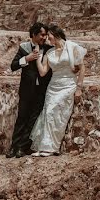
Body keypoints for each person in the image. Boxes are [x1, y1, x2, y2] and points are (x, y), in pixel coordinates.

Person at [30, 24, 87, 156]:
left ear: (55, 34)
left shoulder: (72, 47)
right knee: (48, 113)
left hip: (68, 85)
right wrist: (38, 58)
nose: (47, 39)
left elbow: (82, 68)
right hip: (53, 86)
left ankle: (52, 147)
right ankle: (45, 146)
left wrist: (79, 88)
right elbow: (43, 72)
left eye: (48, 35)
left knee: (59, 116)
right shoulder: (49, 53)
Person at [6, 22, 52, 158]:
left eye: (45, 35)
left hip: (41, 91)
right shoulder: (24, 48)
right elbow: (13, 66)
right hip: (26, 90)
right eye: (42, 35)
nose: (44, 38)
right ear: (34, 35)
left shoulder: (49, 49)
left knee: (33, 120)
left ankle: (22, 148)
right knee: (22, 118)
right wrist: (26, 58)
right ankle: (13, 147)